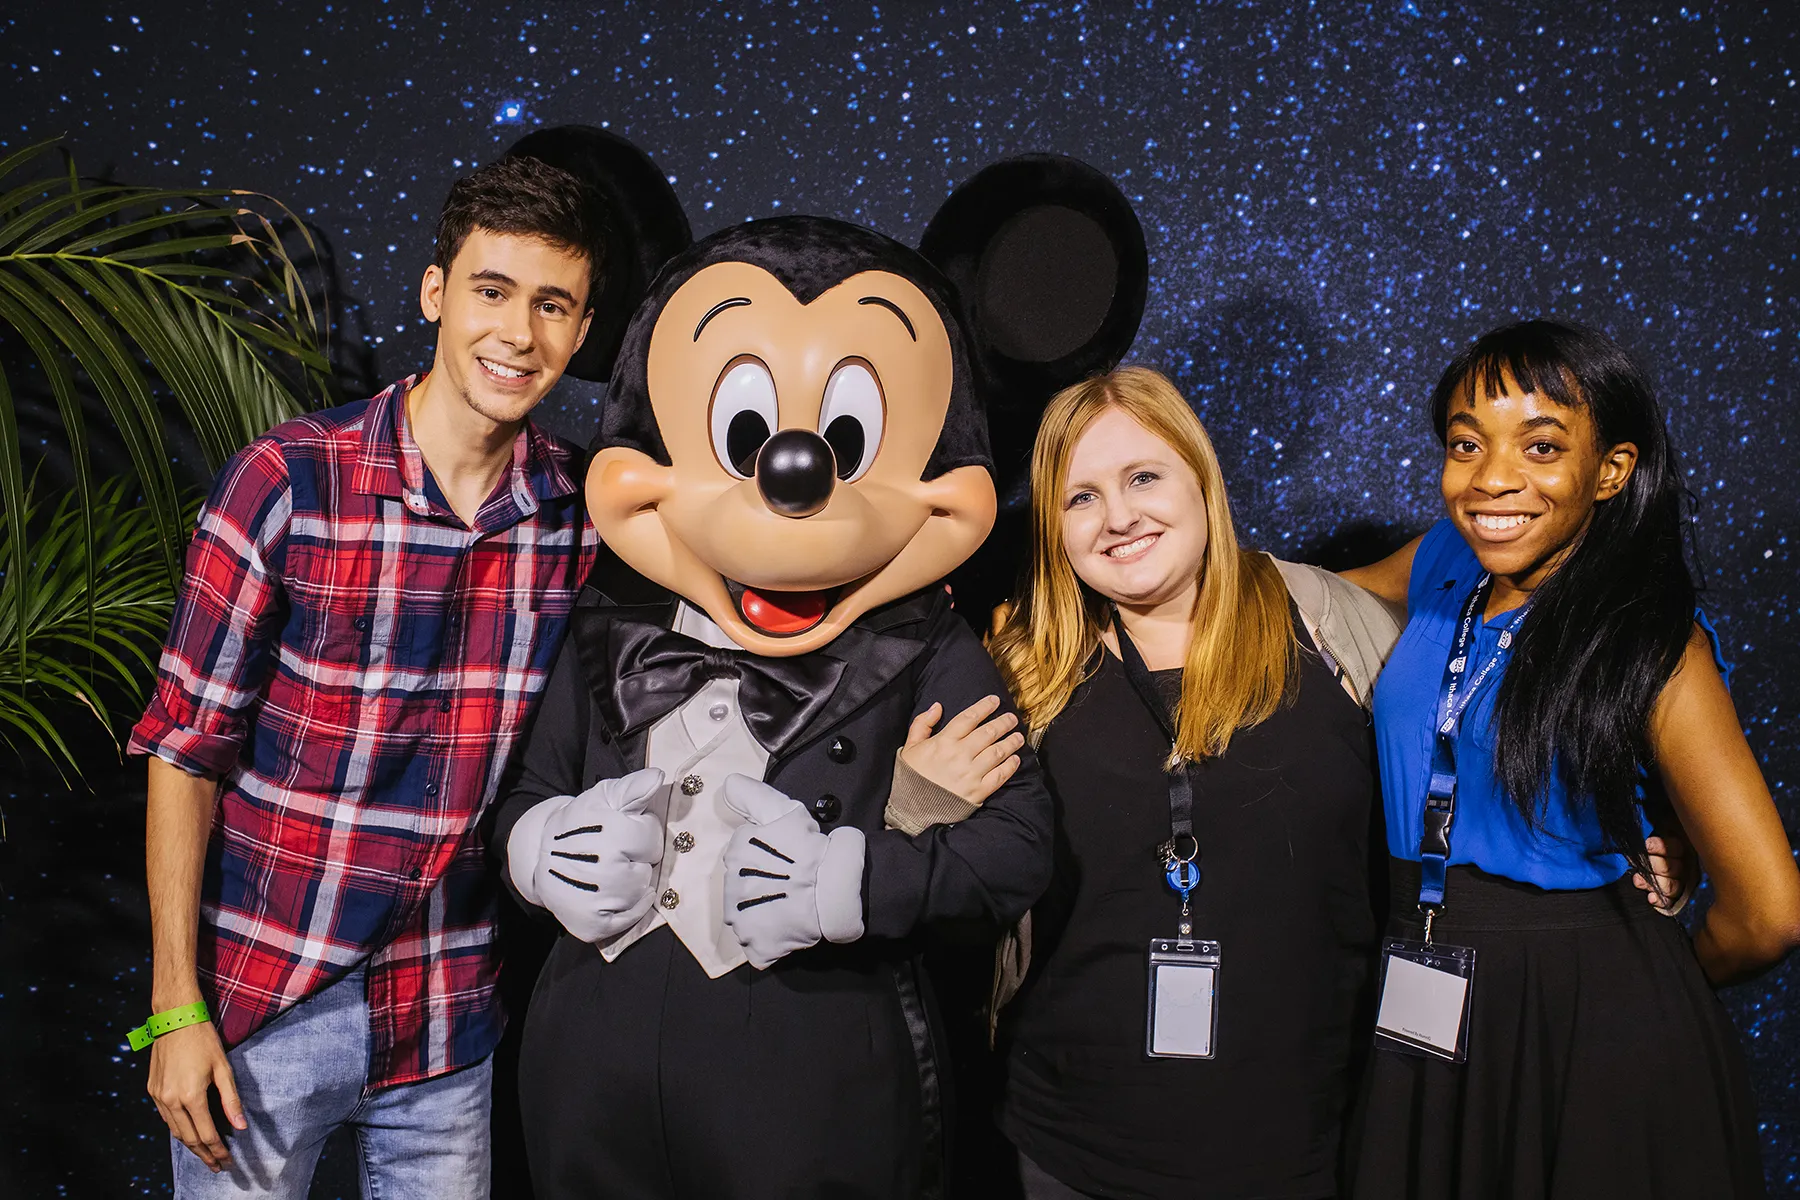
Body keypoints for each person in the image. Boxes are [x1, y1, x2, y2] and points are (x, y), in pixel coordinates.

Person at [889, 363, 1695, 1200]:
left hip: (1315, 1146)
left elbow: (1483, 713)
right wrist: (915, 802)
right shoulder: (1020, 673)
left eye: (1142, 477)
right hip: (1066, 1153)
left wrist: (1633, 830)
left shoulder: (1327, 622)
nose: (1118, 516)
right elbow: (938, 914)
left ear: (1203, 480)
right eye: (1080, 497)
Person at [127, 154, 603, 1197]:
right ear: (436, 293)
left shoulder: (583, 517)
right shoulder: (289, 480)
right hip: (265, 1006)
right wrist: (175, 1008)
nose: (518, 334)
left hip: (446, 1020)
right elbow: (182, 747)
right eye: (491, 291)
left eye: (552, 304)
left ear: (580, 327)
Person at [1340, 318, 1800, 1199]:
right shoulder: (1446, 563)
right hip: (1425, 974)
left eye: (1541, 446)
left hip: (1586, 1032)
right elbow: (1303, 597)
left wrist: (1630, 987)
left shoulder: (1652, 647)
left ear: (1611, 471)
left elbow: (1769, 913)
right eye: (1465, 445)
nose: (1494, 480)